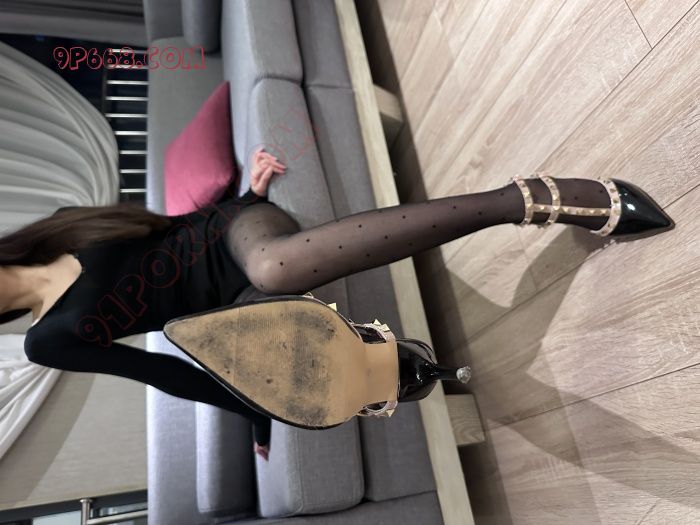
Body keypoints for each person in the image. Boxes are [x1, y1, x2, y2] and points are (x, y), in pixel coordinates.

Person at [2, 146, 673, 461]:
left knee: (276, 264)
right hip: (231, 305)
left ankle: (526, 199)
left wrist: (246, 191)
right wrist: (255, 409)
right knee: (278, 353)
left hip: (235, 234)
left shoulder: (60, 225)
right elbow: (164, 372)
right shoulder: (47, 341)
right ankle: (399, 365)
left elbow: (164, 228)